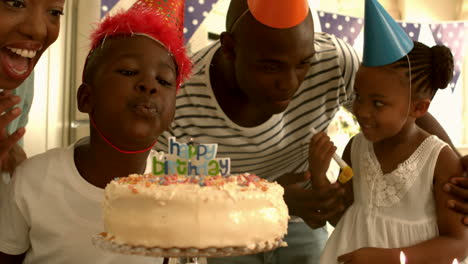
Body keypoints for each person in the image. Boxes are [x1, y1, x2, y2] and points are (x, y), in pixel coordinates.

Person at [155, 0, 468, 263]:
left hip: (304, 225)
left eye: (303, 63)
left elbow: (401, 103)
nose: (291, 82)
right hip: (225, 228)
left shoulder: (333, 62)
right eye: (270, 66)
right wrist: (269, 199)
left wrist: (457, 171)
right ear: (229, 48)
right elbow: (165, 201)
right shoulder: (178, 96)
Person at [0, 1, 191, 263]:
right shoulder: (33, 180)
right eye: (128, 71)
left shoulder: (181, 192)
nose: (149, 85)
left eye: (164, 81)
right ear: (86, 98)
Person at [315, 1, 467, 263]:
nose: (361, 110)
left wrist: (393, 257)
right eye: (359, 97)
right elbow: (340, 217)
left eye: (378, 103)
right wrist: (318, 176)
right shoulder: (356, 147)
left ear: (418, 108)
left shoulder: (439, 160)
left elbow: (458, 244)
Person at [0, 0, 65, 179]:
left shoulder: (19, 78)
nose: (38, 30)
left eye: (54, 12)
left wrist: (16, 163)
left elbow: (11, 158)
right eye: (15, 3)